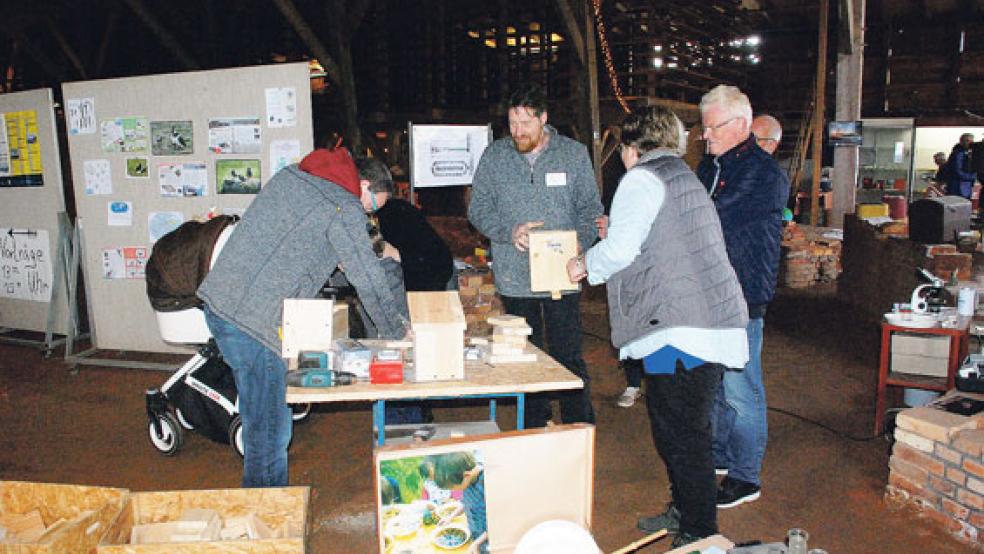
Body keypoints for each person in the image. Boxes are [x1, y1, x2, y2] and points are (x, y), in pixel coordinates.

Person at [567, 105, 748, 547]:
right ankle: (683, 510)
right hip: (700, 324)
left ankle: (699, 532)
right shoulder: (682, 176)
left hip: (681, 332)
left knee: (684, 434)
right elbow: (663, 235)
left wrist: (583, 264)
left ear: (631, 148)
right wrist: (617, 230)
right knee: (675, 428)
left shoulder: (641, 178)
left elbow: (621, 251)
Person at [198, 146, 409, 487]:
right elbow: (367, 278)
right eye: (372, 207)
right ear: (364, 185)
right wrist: (397, 335)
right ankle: (270, 520)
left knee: (260, 423)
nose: (368, 217)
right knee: (269, 434)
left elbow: (298, 257)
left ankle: (264, 508)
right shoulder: (342, 206)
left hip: (223, 304)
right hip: (254, 323)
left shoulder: (296, 178)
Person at [468, 83, 603, 427]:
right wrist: (507, 231)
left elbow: (590, 209)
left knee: (568, 352)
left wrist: (580, 246)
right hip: (514, 276)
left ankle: (578, 423)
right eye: (513, 123)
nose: (518, 132)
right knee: (524, 353)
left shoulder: (573, 154)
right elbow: (478, 207)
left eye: (526, 123)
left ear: (544, 119)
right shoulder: (495, 156)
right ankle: (533, 423)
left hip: (562, 274)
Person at [697, 85, 790, 509]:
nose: (705, 135)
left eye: (712, 126)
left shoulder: (763, 173)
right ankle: (719, 456)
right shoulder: (711, 166)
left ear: (739, 125)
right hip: (711, 294)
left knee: (741, 389)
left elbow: (709, 216)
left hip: (742, 297)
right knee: (716, 384)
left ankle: (745, 475)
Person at [373, 193, 454, 292]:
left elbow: (440, 266)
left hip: (412, 294)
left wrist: (397, 255)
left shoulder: (397, 212)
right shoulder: (396, 211)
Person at [433, 452, 488, 553]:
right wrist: (451, 516)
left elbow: (496, 521)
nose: (455, 491)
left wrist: (478, 543)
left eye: (454, 488)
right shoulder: (466, 479)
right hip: (475, 535)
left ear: (466, 475)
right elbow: (466, 502)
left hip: (489, 541)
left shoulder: (487, 483)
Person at [945, 133, 977, 199]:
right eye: (967, 140)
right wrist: (972, 177)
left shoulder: (968, 153)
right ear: (961, 142)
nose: (970, 143)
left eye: (972, 141)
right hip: (958, 187)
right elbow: (957, 170)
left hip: (965, 187)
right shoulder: (958, 153)